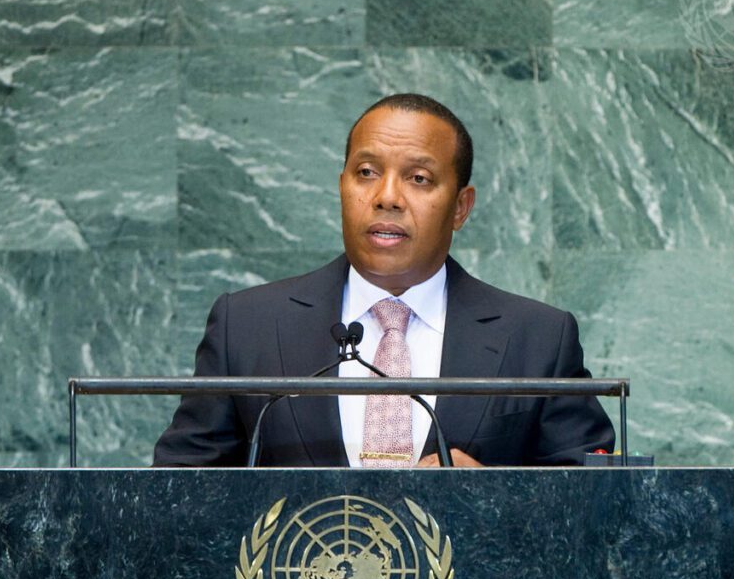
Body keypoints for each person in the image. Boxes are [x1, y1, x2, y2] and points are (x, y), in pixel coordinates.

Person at [153, 93, 614, 467]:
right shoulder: (248, 325)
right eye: (367, 172)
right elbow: (177, 492)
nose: (386, 197)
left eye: (418, 178)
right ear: (342, 186)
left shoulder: (538, 339)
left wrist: (496, 497)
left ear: (460, 207)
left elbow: (594, 509)